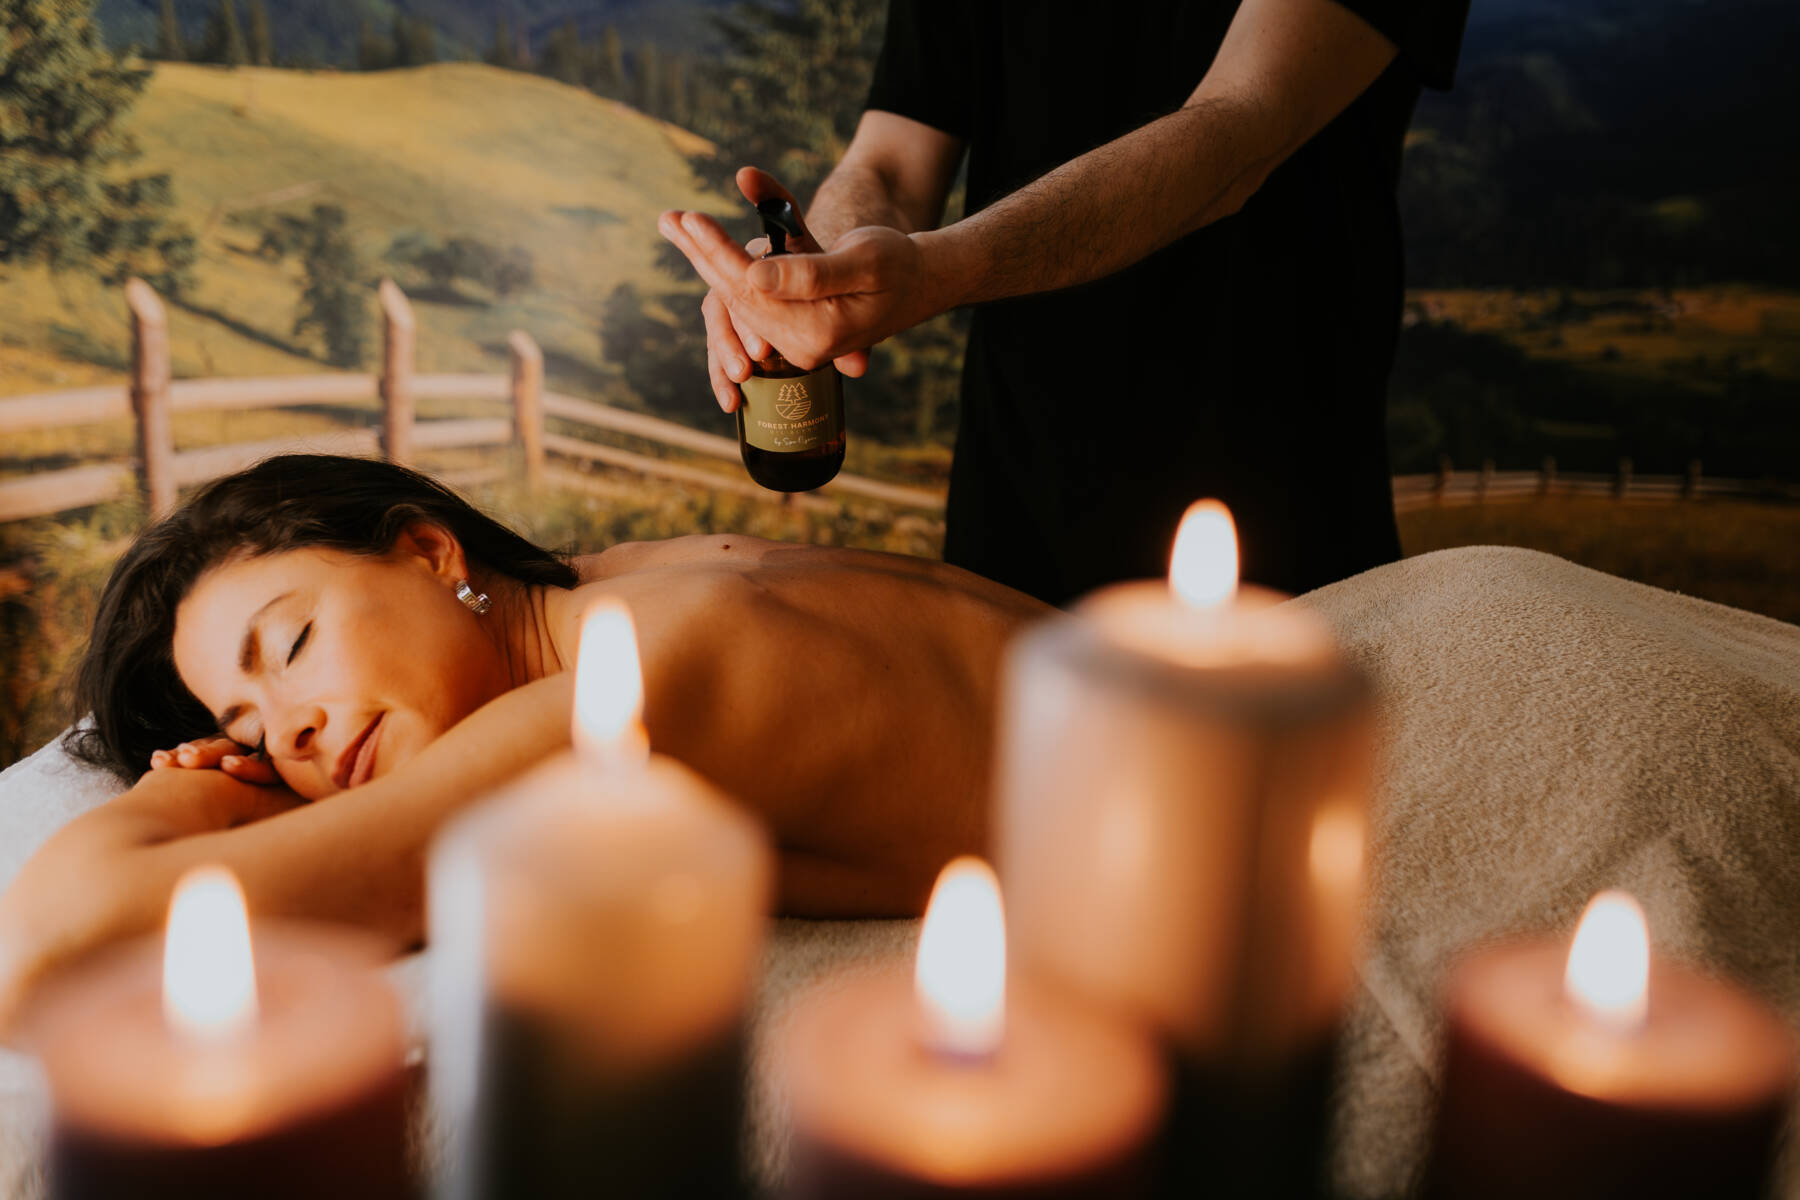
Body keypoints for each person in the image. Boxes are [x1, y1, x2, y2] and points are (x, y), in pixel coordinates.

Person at [0, 454, 1047, 1025]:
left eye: (294, 644)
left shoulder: (629, 692)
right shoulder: (625, 582)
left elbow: (51, 947)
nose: (292, 731)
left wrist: (186, 794)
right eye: (249, 732)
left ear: (428, 551)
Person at [660, 0, 1469, 605]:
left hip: (1280, 514)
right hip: (1012, 523)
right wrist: (811, 265)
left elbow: (1234, 137)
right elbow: (895, 163)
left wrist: (940, 270)